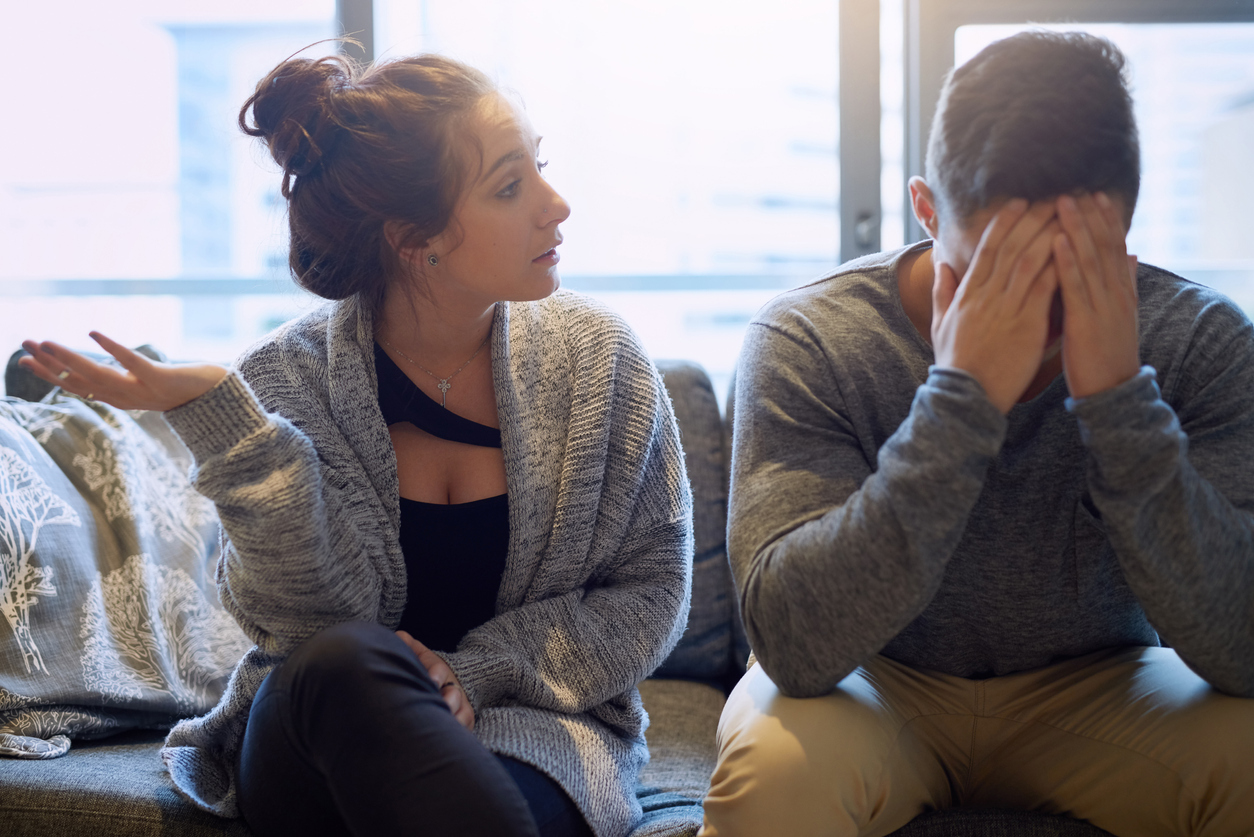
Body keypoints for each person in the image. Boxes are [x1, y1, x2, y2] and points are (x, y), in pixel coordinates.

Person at [20, 52, 692, 837]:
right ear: (414, 238)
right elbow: (314, 623)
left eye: (539, 167)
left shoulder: (602, 361)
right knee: (346, 661)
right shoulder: (287, 381)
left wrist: (476, 673)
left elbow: (652, 588)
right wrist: (232, 428)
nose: (557, 204)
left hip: (532, 744)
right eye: (511, 186)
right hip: (315, 736)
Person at [701, 31, 1254, 837]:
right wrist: (961, 401)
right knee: (776, 776)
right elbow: (794, 644)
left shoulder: (1200, 340)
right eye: (1000, 266)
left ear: (1123, 227)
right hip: (873, 680)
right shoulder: (809, 337)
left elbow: (1242, 648)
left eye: (1065, 271)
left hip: (1101, 682)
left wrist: (1119, 403)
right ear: (927, 210)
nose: (1032, 310)